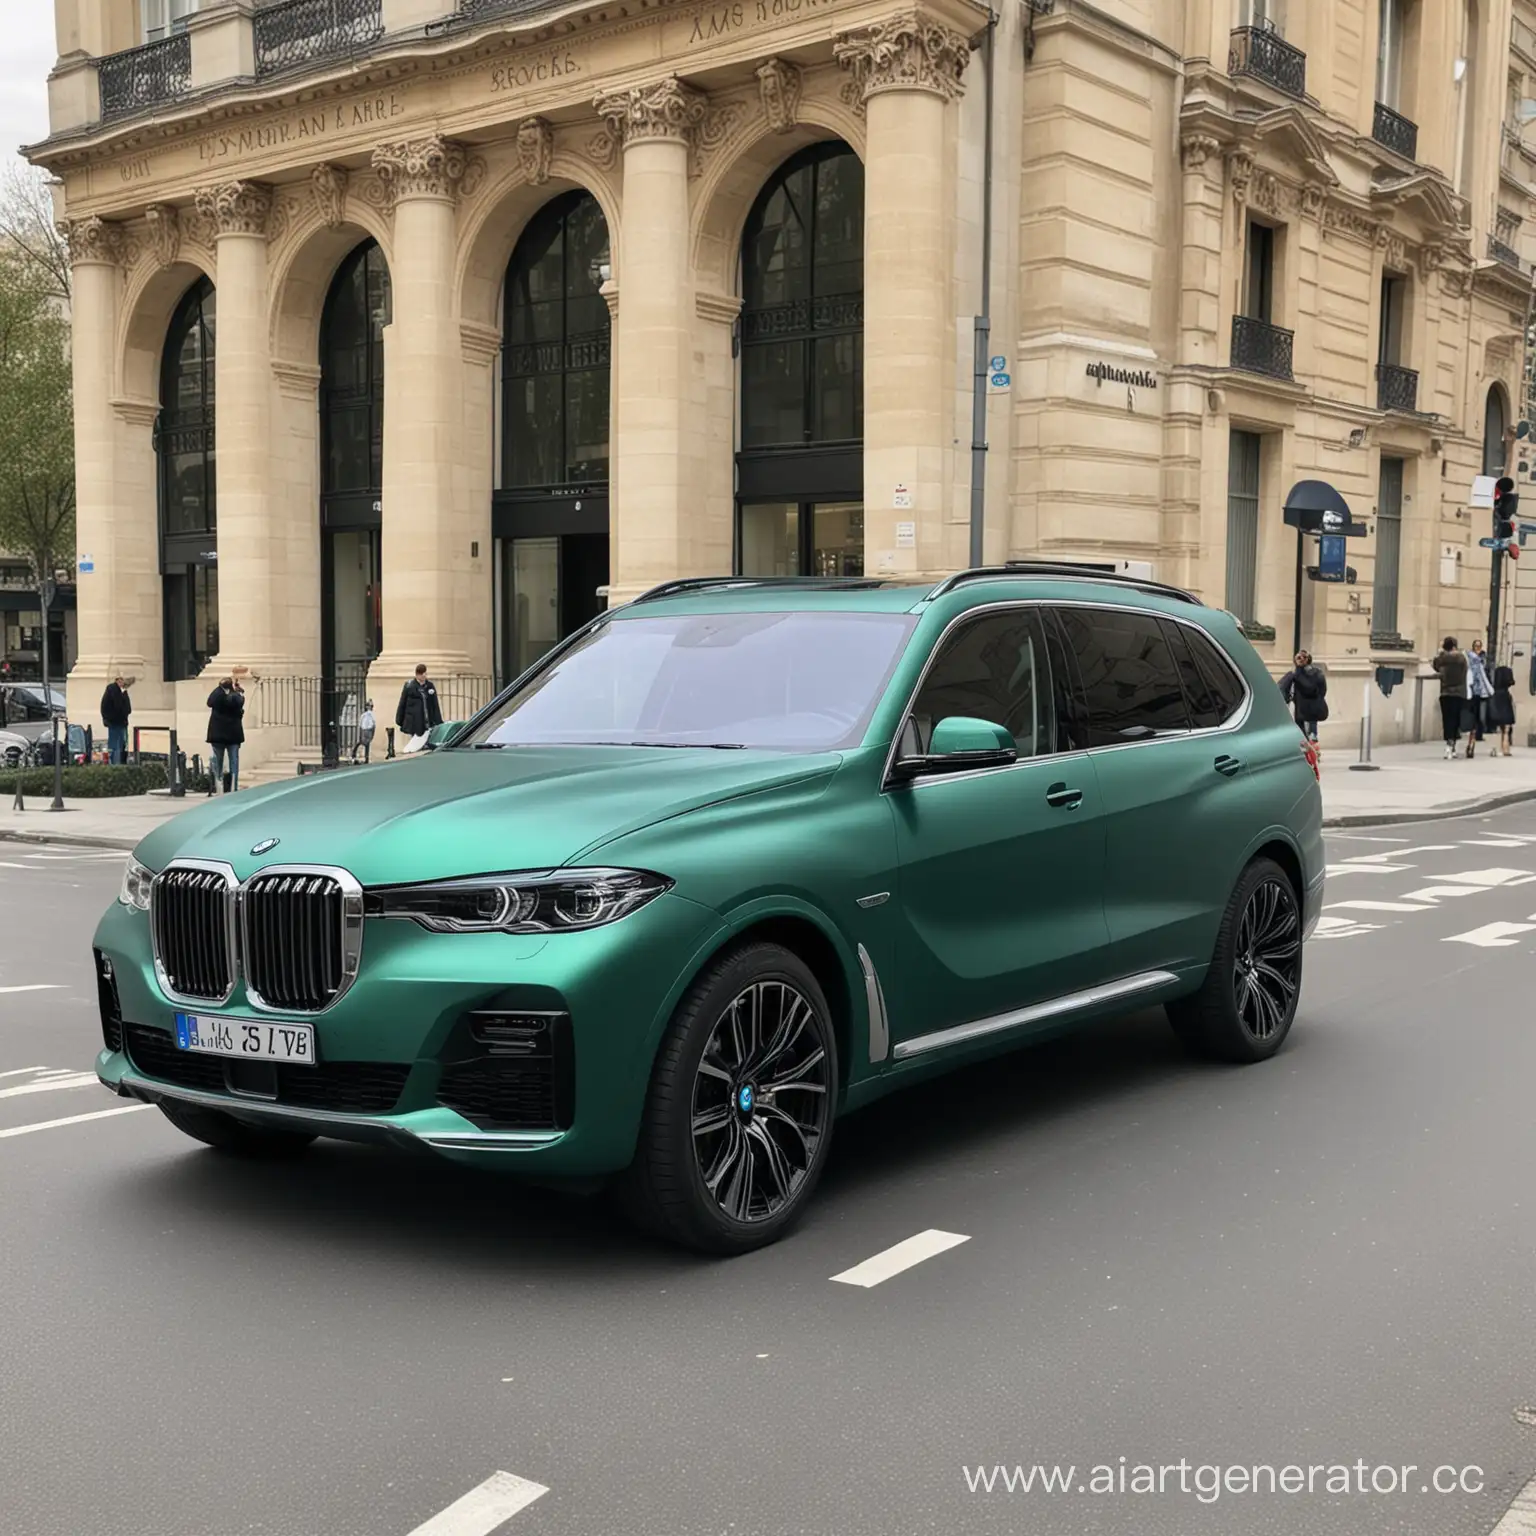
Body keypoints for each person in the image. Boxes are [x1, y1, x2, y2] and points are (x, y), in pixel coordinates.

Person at [1279, 650, 1329, 750]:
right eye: (1299, 657)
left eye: (1304, 657)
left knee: (1305, 738)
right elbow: (1323, 690)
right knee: (1310, 736)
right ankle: (1312, 751)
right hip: (1310, 710)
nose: (1301, 659)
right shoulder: (1316, 673)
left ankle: (1310, 753)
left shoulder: (1297, 674)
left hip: (1304, 710)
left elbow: (1282, 687)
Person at [205, 675, 246, 794]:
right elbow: (240, 702)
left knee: (218, 762)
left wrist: (220, 688)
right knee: (234, 762)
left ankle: (219, 786)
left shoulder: (217, 696)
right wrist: (239, 691)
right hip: (233, 735)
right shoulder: (235, 697)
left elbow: (209, 702)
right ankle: (234, 787)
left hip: (218, 736)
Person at [1432, 636, 1469, 760]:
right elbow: (1465, 671)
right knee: (1456, 719)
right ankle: (1452, 746)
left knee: (1447, 719)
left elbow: (1435, 666)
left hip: (1445, 692)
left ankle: (1448, 744)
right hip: (1458, 693)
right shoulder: (1461, 658)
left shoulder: (1441, 659)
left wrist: (1440, 654)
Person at [395, 664, 442, 753]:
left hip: (427, 718)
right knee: (416, 739)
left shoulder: (429, 686)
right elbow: (402, 703)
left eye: (425, 673)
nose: (424, 676)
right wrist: (400, 719)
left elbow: (435, 704)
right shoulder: (409, 686)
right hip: (414, 719)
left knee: (426, 738)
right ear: (417, 675)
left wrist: (438, 720)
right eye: (421, 674)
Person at [1464, 638, 1495, 759]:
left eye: (1479, 646)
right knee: (1472, 719)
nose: (1478, 648)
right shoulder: (1470, 659)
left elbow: (1486, 676)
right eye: (1476, 646)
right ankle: (1471, 744)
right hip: (1471, 692)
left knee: (1480, 719)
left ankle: (1473, 742)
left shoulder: (1483, 660)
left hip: (1481, 693)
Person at [100, 673, 134, 765]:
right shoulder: (113, 690)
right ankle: (116, 763)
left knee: (120, 745)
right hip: (116, 722)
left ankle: (118, 762)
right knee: (116, 745)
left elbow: (127, 707)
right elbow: (118, 706)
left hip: (119, 722)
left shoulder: (121, 691)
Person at [1491, 658, 1517, 756]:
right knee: (1506, 726)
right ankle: (1506, 748)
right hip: (1505, 697)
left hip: (1496, 697)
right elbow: (1511, 682)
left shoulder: (1495, 673)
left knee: (1496, 725)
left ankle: (1495, 748)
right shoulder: (1508, 673)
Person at [356, 699, 376, 764]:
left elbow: (373, 723)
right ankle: (357, 755)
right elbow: (361, 723)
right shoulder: (364, 715)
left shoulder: (371, 714)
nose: (371, 707)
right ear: (367, 706)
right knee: (362, 742)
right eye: (370, 706)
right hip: (365, 730)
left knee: (367, 744)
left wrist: (372, 731)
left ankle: (366, 757)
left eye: (372, 706)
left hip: (369, 730)